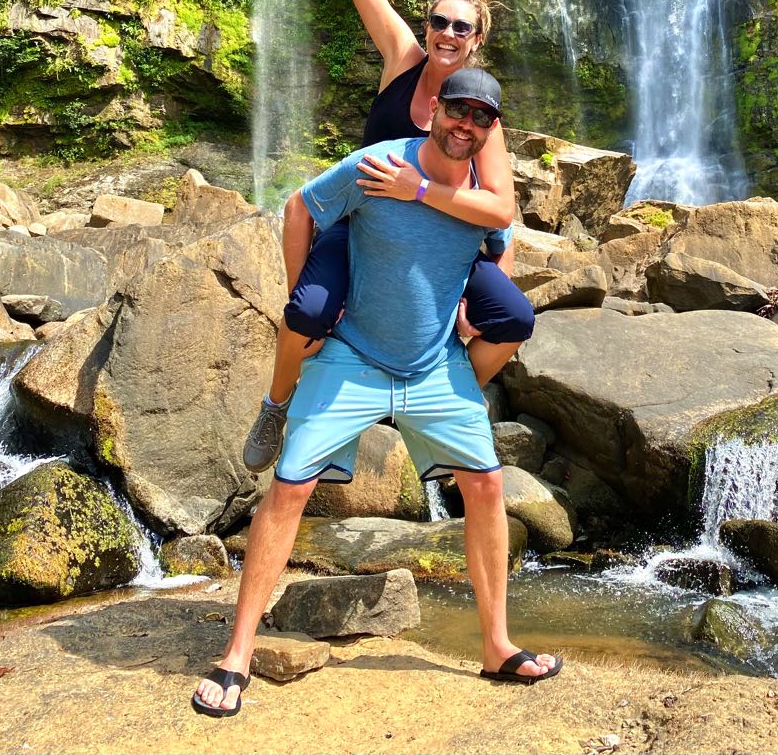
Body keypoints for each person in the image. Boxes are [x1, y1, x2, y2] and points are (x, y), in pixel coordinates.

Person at [192, 71, 561, 717]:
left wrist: (479, 303)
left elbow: (499, 240)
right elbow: (302, 206)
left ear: (489, 128)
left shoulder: (481, 195)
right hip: (352, 357)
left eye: (480, 116)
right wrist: (302, 291)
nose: (465, 124)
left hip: (435, 366)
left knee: (486, 484)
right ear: (436, 111)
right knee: (290, 489)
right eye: (457, 109)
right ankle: (237, 653)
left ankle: (498, 645)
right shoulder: (377, 164)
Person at [243, 0, 534, 473]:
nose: (446, 34)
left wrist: (475, 291)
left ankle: (450, 391)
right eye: (439, 22)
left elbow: (500, 212)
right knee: (309, 314)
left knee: (512, 315)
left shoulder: (481, 116)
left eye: (461, 27)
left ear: (477, 39)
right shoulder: (403, 58)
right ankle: (276, 404)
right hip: (367, 224)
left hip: (445, 233)